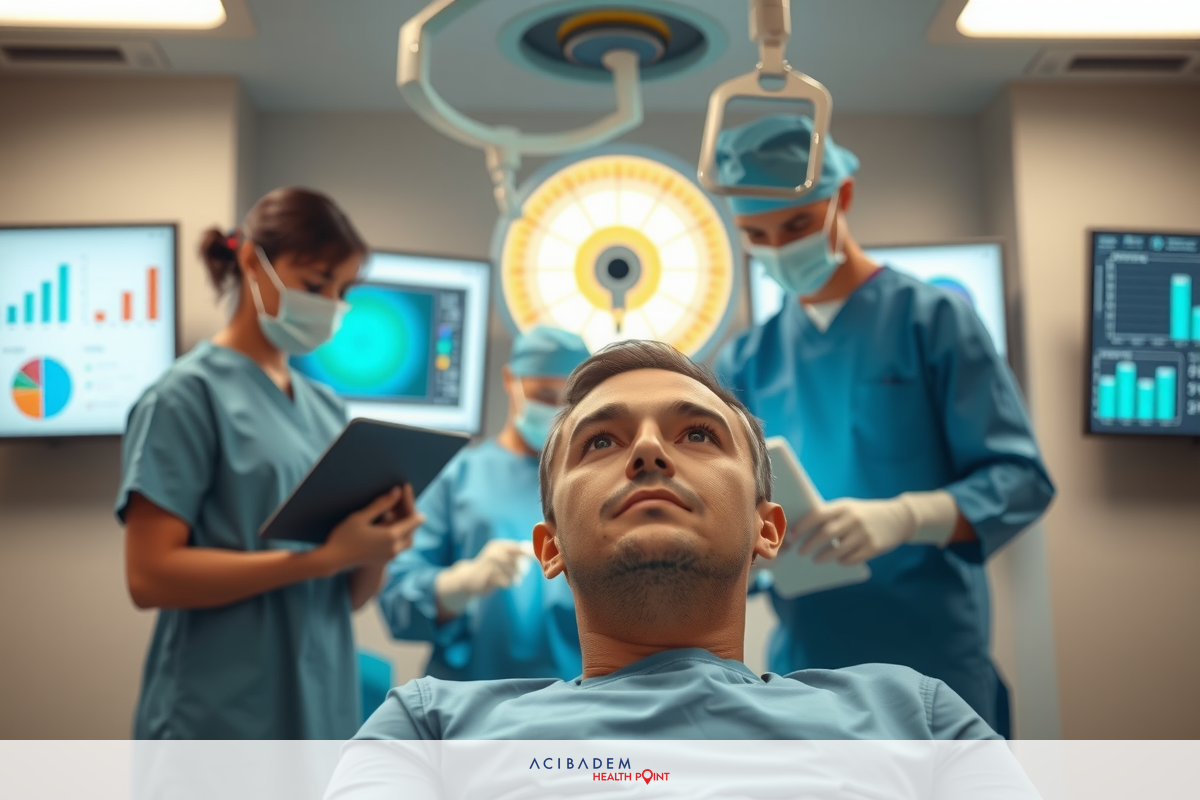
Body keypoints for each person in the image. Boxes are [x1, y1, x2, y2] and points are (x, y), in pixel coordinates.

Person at [347, 340, 1002, 741]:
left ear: (768, 531)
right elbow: (405, 599)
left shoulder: (913, 717)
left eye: (698, 434)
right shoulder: (430, 728)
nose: (650, 452)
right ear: (548, 548)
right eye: (601, 441)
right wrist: (454, 586)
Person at [712, 114, 1056, 736]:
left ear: (840, 198)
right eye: (755, 234)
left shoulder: (933, 319)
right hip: (807, 667)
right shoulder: (746, 358)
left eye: (795, 224)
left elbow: (1020, 478)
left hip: (933, 659)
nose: (778, 247)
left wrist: (905, 516)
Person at [117, 187, 423, 739]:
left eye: (342, 288)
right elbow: (150, 575)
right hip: (216, 719)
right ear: (251, 262)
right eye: (314, 283)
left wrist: (378, 548)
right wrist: (319, 560)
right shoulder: (186, 397)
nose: (330, 302)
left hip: (318, 710)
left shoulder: (327, 410)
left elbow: (345, 595)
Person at [377, 325, 590, 680]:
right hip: (471, 699)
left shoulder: (592, 484)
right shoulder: (457, 476)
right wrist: (460, 585)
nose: (555, 412)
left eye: (569, 403)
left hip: (573, 701)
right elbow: (398, 599)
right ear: (511, 380)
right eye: (543, 395)